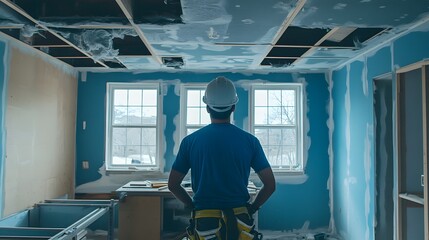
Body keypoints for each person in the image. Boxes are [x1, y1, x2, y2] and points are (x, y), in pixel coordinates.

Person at [168, 76, 276, 240]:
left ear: (207, 108)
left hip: (204, 220)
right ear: (233, 107)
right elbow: (270, 185)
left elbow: (173, 184)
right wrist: (252, 208)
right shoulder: (250, 141)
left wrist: (192, 206)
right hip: (240, 219)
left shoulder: (190, 142)